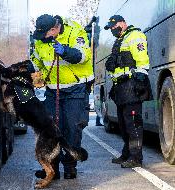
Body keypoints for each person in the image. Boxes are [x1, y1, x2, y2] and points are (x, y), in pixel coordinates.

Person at [31, 14, 93, 179]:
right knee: (50, 130)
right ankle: (52, 168)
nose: (42, 38)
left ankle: (70, 167)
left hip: (75, 89)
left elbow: (84, 56)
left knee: (72, 129)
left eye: (45, 34)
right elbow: (36, 64)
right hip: (52, 89)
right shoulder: (40, 39)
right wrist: (34, 76)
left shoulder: (74, 31)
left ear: (54, 29)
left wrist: (66, 51)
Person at [104, 15, 151, 168]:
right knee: (123, 125)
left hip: (132, 86)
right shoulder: (120, 40)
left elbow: (142, 60)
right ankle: (127, 154)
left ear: (123, 23)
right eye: (110, 27)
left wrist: (140, 80)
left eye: (114, 25)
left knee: (133, 124)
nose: (112, 29)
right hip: (121, 89)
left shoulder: (135, 35)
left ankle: (136, 158)